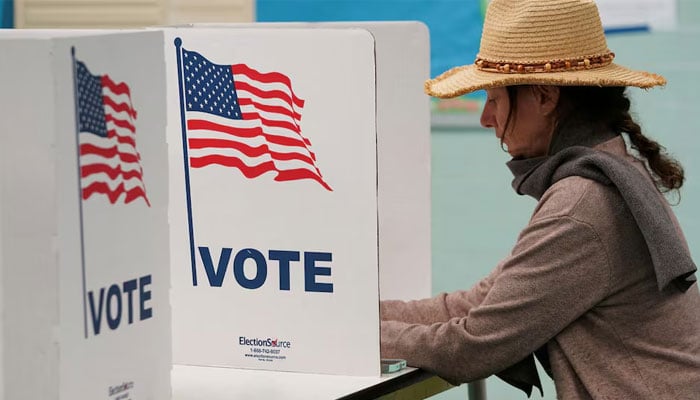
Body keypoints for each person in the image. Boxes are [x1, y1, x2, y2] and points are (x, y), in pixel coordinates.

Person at [379, 0, 700, 398]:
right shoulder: (611, 175)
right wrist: (358, 318)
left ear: (545, 97)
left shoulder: (582, 204)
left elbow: (473, 344)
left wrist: (352, 336)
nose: (486, 118)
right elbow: (481, 303)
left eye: (494, 99)